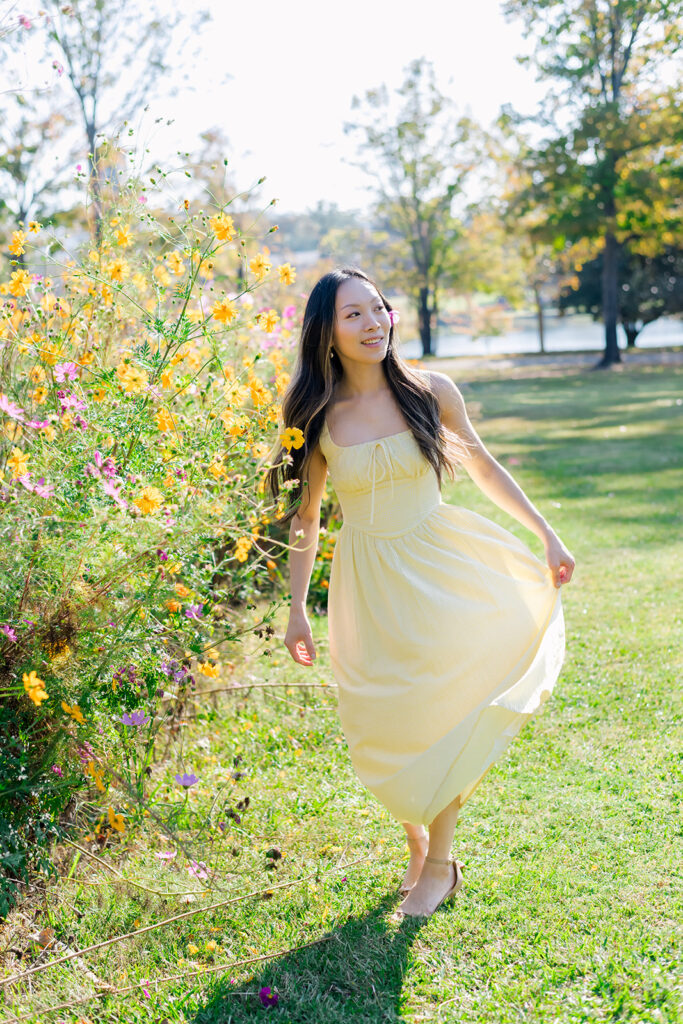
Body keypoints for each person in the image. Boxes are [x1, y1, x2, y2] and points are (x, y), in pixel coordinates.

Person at [265, 267, 575, 919]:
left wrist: (544, 532)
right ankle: (415, 838)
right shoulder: (315, 416)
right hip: (369, 582)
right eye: (354, 315)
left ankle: (439, 864)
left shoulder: (430, 391)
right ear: (325, 332)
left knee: (445, 710)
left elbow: (482, 465)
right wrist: (296, 608)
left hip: (442, 564)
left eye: (377, 308)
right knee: (383, 722)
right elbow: (307, 518)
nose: (373, 322)